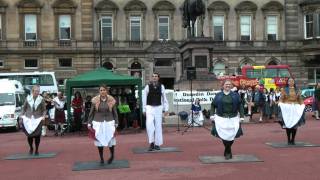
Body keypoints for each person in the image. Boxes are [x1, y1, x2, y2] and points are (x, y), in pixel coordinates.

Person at [210, 79, 244, 160]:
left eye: (229, 84)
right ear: (223, 86)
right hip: (221, 118)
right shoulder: (218, 95)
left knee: (232, 136)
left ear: (231, 86)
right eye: (226, 84)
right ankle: (228, 151)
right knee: (223, 136)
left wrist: (242, 116)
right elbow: (213, 105)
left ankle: (227, 150)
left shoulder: (236, 95)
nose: (228, 85)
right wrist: (212, 115)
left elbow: (240, 106)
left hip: (233, 118)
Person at [87, 84, 118, 164]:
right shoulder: (95, 100)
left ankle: (112, 155)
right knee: (99, 140)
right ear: (99, 91)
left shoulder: (111, 100)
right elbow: (91, 112)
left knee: (111, 139)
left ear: (106, 91)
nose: (102, 91)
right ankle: (101, 158)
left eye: (104, 90)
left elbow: (115, 112)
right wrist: (89, 123)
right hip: (98, 122)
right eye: (101, 90)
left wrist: (116, 122)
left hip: (109, 122)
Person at [143, 73, 169, 151]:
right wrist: (144, 109)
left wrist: (166, 109)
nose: (154, 78)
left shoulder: (162, 86)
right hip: (149, 107)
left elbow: (164, 98)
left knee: (158, 126)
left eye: (156, 76)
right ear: (151, 78)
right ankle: (151, 143)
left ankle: (157, 144)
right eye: (153, 76)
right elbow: (144, 98)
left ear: (158, 78)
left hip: (158, 107)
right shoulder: (147, 86)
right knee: (149, 125)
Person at [20, 85, 46, 155]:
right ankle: (31, 147)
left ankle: (37, 149)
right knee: (29, 135)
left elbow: (44, 110)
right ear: (32, 91)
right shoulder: (28, 98)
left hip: (38, 119)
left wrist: (43, 116)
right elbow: (24, 108)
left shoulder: (41, 99)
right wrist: (21, 115)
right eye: (36, 91)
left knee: (37, 135)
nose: (37, 92)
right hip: (29, 119)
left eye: (38, 91)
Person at [278, 78, 305, 145]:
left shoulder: (297, 90)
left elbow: (300, 99)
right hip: (287, 108)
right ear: (288, 82)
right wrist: (280, 103)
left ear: (294, 82)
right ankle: (288, 139)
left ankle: (293, 139)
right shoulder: (284, 90)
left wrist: (302, 105)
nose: (291, 82)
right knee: (287, 124)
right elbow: (281, 98)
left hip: (295, 108)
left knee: (295, 125)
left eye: (292, 81)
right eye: (289, 81)